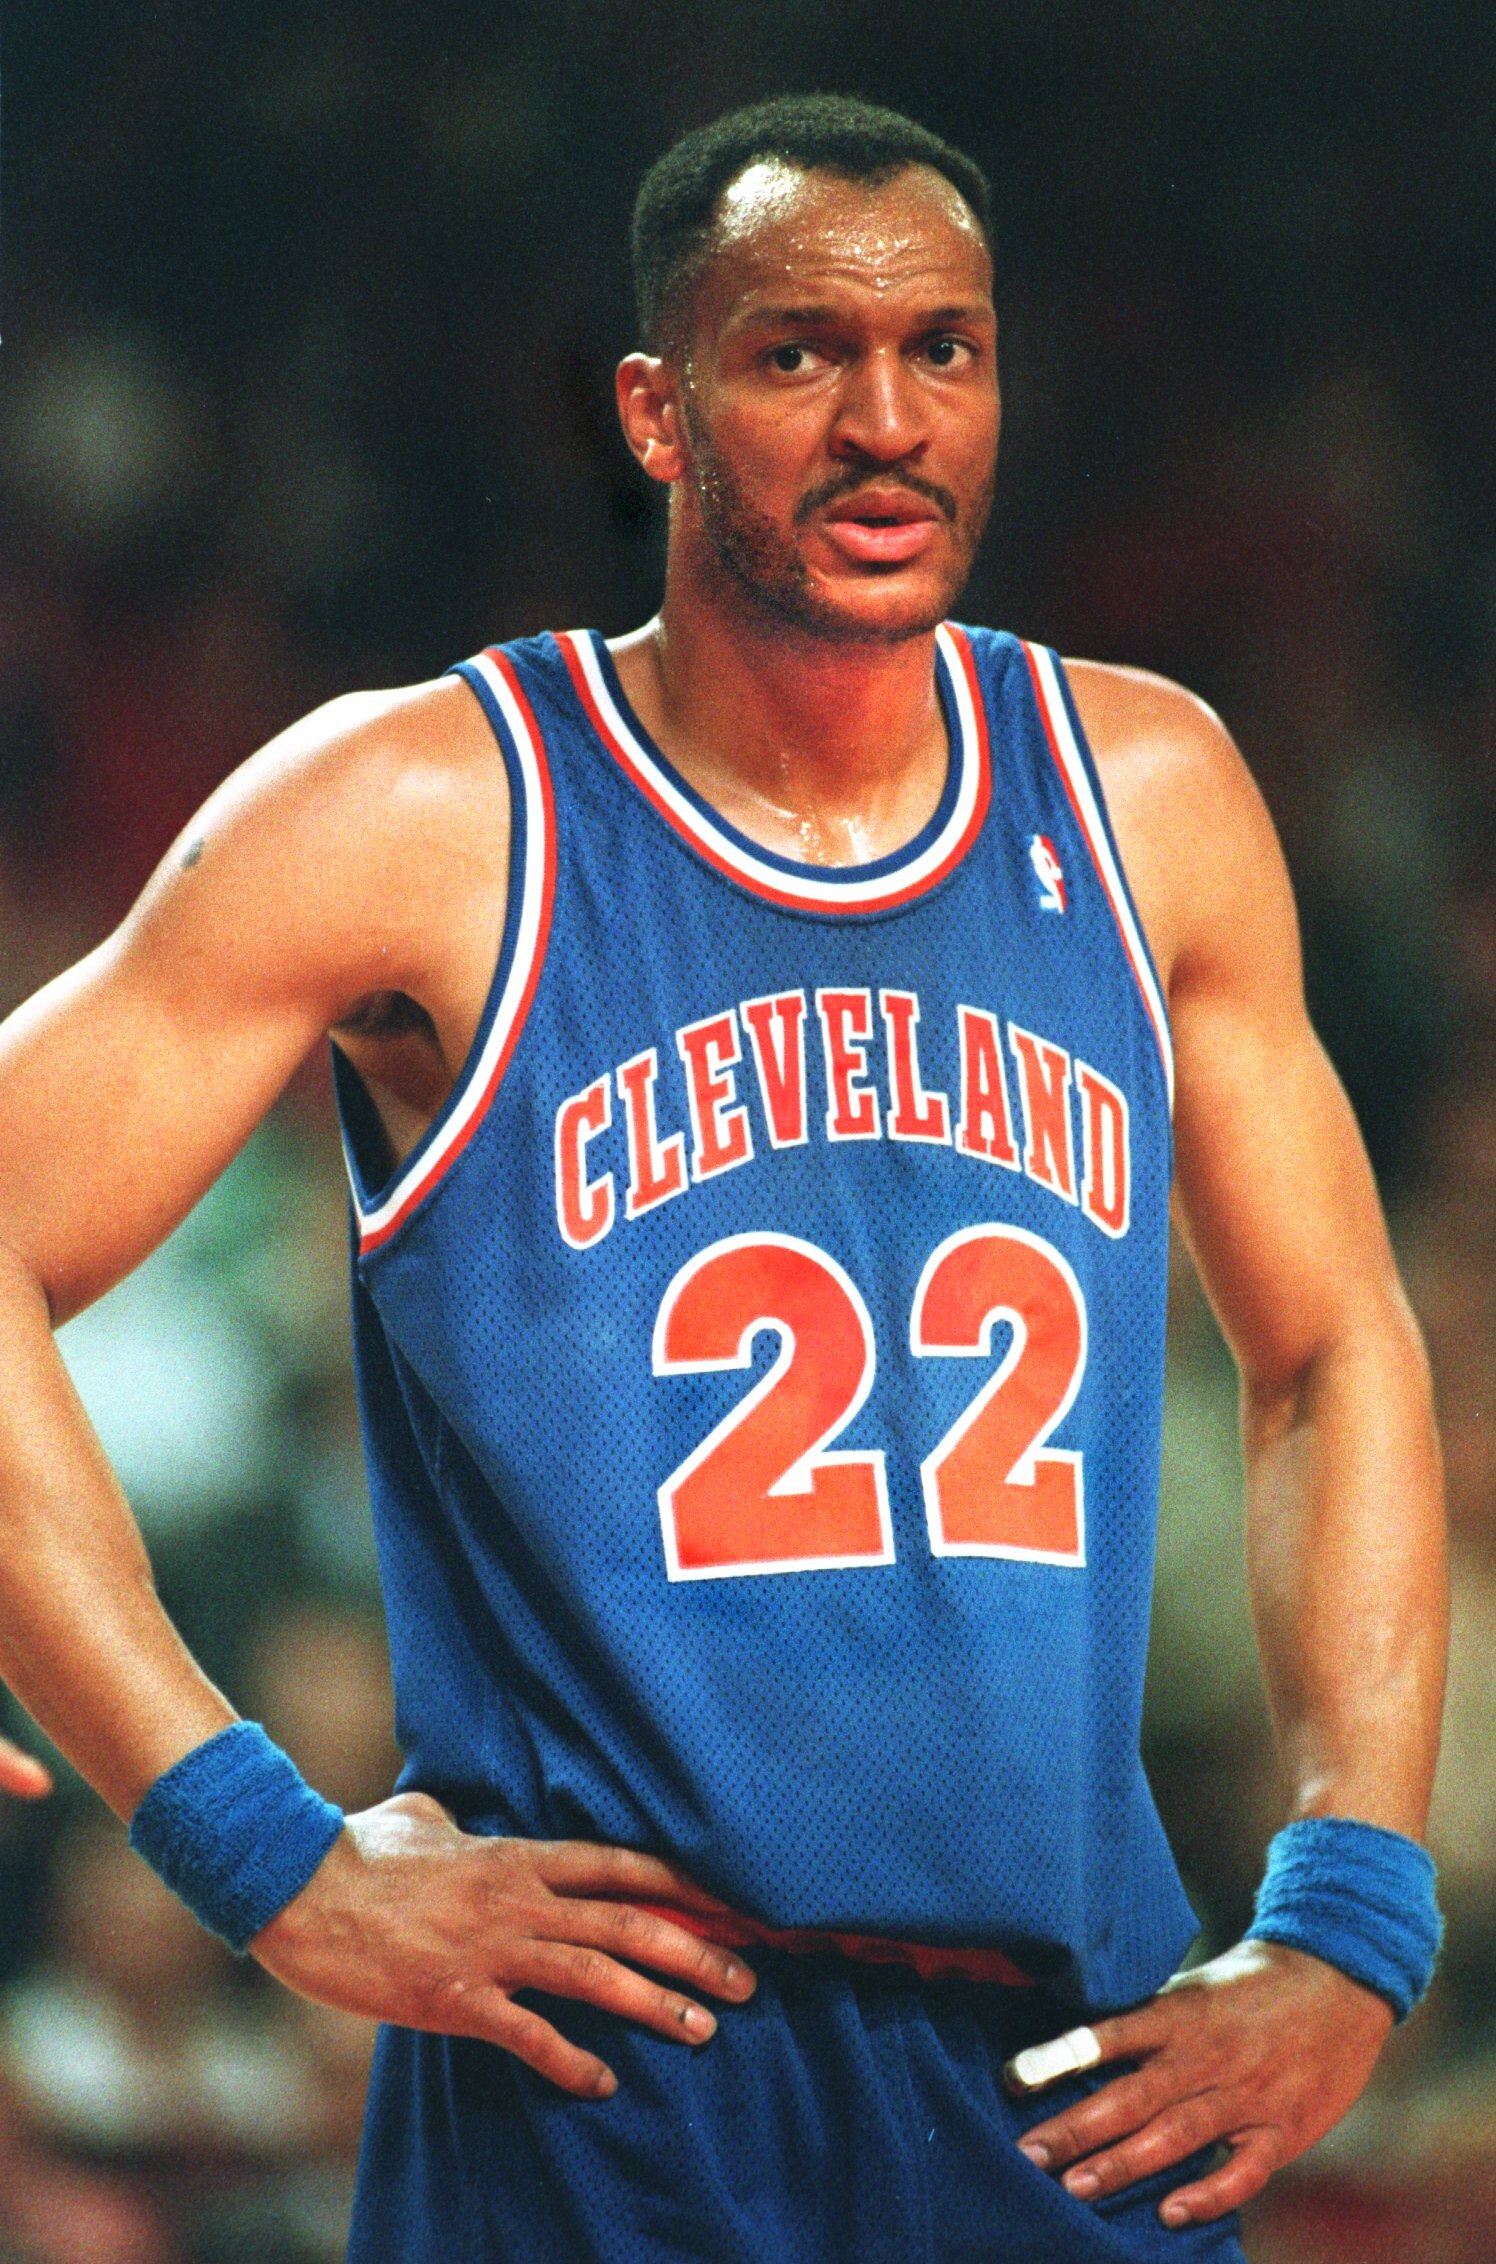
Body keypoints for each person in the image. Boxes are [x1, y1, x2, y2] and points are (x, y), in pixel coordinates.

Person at [0, 93, 1446, 2264]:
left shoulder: (1147, 788)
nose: (886, 418)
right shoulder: (424, 808)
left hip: (1078, 2072)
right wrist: (252, 1844)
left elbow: (1332, 1347)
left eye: (942, 350)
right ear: (656, 413)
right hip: (615, 2072)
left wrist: (1351, 1908)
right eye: (799, 354)